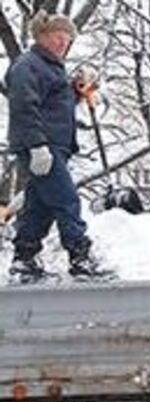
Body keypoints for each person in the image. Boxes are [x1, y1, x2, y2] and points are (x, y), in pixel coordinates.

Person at [6, 10, 107, 282]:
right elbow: (24, 108)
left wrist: (75, 90)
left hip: (55, 147)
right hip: (40, 148)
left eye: (67, 38)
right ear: (41, 36)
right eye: (58, 36)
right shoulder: (28, 66)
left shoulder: (51, 68)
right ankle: (81, 259)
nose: (64, 42)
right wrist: (37, 146)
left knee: (40, 207)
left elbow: (53, 105)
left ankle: (24, 260)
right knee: (66, 200)